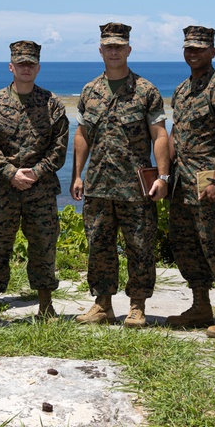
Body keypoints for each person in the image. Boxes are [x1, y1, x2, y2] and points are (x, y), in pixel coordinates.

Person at [70, 22, 170, 328]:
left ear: (128, 49)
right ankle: (102, 304)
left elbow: (160, 136)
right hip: (99, 185)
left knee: (139, 247)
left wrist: (163, 177)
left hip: (134, 186)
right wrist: (77, 175)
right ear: (101, 50)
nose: (114, 51)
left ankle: (137, 306)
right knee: (99, 246)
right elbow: (83, 134)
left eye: (119, 46)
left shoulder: (145, 90)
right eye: (108, 46)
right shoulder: (90, 91)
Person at [0, 40, 69, 324]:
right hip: (1, 190)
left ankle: (45, 304)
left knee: (43, 246)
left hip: (39, 190)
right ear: (11, 67)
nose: (26, 68)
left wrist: (36, 172)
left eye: (31, 64)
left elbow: (59, 147)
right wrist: (10, 173)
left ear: (38, 68)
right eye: (21, 64)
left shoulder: (51, 103)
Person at [165, 26, 215, 339]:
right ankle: (201, 306)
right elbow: (176, 134)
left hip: (209, 182)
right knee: (185, 244)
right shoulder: (183, 89)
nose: (193, 53)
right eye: (189, 48)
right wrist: (165, 172)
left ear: (213, 51)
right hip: (181, 183)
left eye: (199, 48)